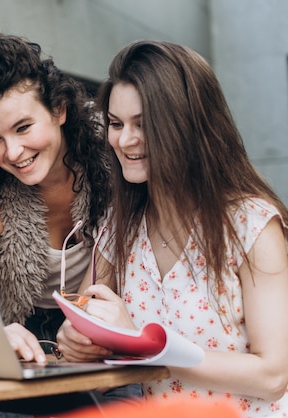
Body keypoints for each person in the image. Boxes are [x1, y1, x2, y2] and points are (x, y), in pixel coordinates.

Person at [56, 39, 288, 417]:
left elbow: (272, 374)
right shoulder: (119, 226)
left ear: (186, 126)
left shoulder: (251, 225)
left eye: (143, 125)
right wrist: (77, 345)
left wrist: (142, 344)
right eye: (116, 124)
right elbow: (97, 362)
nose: (125, 140)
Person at [0, 33, 141, 409]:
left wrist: (93, 333)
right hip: (26, 342)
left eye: (23, 128)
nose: (12, 152)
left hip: (115, 331)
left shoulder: (114, 167)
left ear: (59, 110)